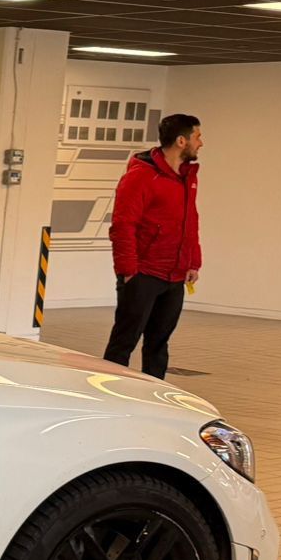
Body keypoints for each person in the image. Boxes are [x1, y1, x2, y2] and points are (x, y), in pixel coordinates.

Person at [104, 113, 202, 379]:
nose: (201, 143)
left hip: (174, 275)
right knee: (124, 342)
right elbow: (123, 225)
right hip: (143, 274)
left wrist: (193, 261)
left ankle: (155, 397)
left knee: (159, 344)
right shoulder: (142, 176)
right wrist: (128, 271)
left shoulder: (186, 177)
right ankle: (108, 392)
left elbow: (189, 220)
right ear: (182, 141)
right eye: (197, 137)